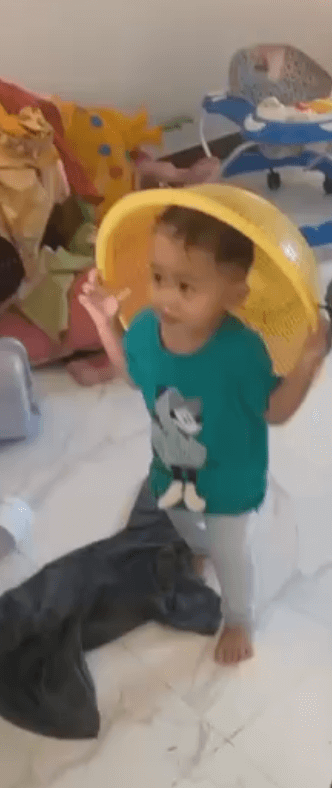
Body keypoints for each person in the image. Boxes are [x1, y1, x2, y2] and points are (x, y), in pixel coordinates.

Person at [79, 205, 329, 665]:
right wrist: (104, 322)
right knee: (178, 516)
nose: (165, 297)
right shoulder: (147, 331)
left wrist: (309, 362)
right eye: (158, 276)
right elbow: (133, 376)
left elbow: (273, 411)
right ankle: (197, 547)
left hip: (230, 479)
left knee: (230, 551)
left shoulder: (241, 352)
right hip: (171, 464)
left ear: (235, 294)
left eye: (186, 286)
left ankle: (238, 617)